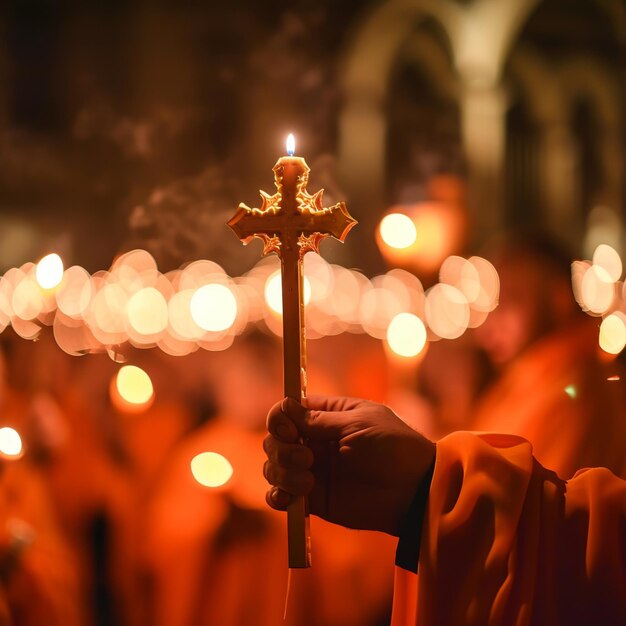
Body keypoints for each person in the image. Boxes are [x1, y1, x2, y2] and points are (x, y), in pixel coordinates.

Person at [263, 396, 626, 626]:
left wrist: (435, 484)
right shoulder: (530, 380)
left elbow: (595, 545)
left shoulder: (575, 392)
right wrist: (420, 484)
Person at [470, 233, 626, 479]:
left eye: (512, 298)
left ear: (558, 299)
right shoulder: (526, 382)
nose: (492, 324)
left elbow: (524, 501)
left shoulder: (575, 392)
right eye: (490, 305)